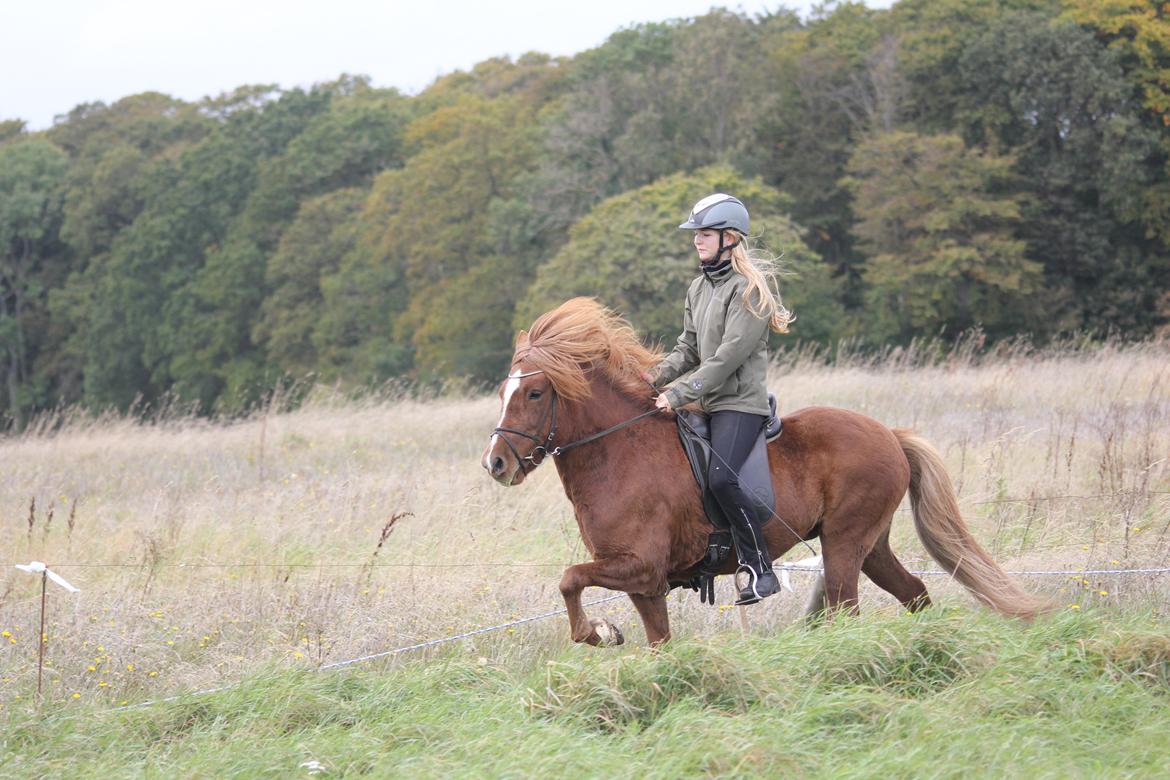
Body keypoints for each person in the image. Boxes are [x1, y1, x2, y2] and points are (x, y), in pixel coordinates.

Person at [648, 194, 794, 605]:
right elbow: (688, 349)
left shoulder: (750, 292)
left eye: (705, 234)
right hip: (706, 402)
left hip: (739, 404)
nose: (697, 241)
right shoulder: (698, 288)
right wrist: (650, 378)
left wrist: (677, 394)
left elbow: (727, 357)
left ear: (730, 238)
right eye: (696, 234)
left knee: (721, 478)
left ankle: (760, 569)